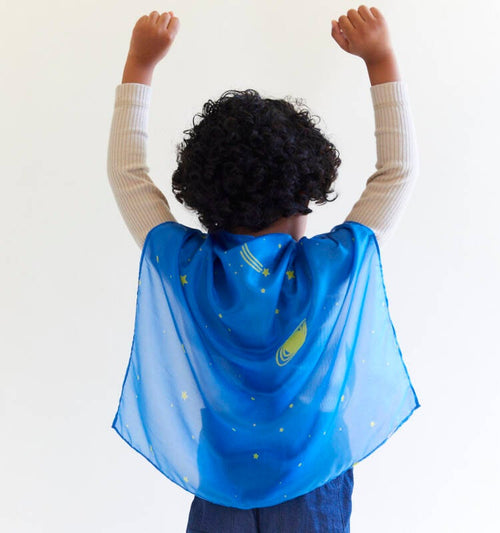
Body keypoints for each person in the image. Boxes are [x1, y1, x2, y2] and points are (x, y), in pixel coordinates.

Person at [107, 5, 420, 532]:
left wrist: (140, 64)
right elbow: (397, 174)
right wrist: (380, 59)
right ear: (305, 195)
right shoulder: (330, 269)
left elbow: (128, 176)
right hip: (312, 479)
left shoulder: (188, 269)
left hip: (221, 479)